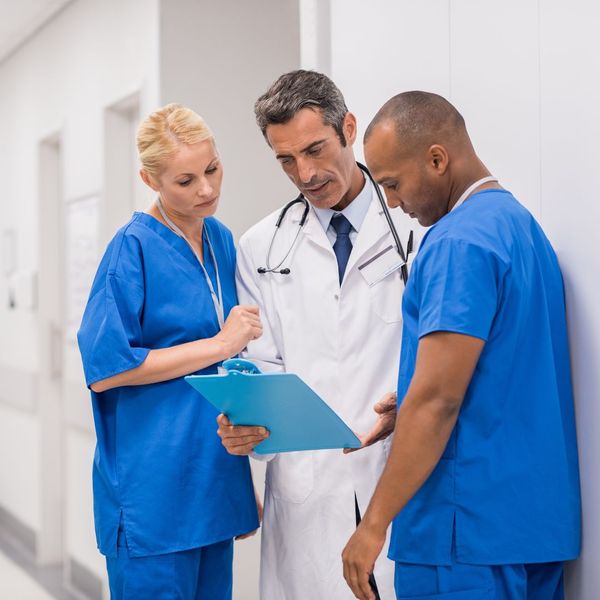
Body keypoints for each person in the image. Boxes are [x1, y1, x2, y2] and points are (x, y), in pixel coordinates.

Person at [341, 91, 582, 600]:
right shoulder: (519, 227)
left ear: (436, 158)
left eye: (392, 183)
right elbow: (497, 371)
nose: (392, 202)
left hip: (462, 536)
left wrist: (372, 525)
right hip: (531, 529)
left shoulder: (456, 242)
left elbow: (438, 399)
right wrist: (407, 405)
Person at [217, 70, 421, 599]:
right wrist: (248, 426)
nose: (305, 173)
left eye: (314, 149)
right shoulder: (262, 247)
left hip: (398, 474)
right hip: (310, 491)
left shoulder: (415, 226)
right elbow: (262, 369)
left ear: (348, 128)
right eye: (286, 160)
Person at [77, 103, 263, 600]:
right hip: (152, 496)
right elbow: (106, 370)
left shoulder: (222, 241)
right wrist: (220, 343)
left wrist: (237, 484)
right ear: (150, 179)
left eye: (212, 168)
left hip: (212, 482)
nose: (206, 189)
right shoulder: (131, 249)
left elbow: (227, 371)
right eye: (185, 181)